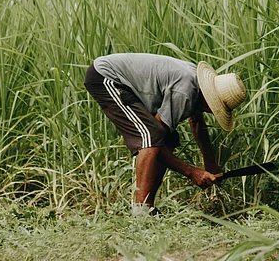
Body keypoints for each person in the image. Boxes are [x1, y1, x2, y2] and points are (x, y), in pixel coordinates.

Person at [83, 53, 247, 216]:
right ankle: (141, 213)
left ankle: (148, 207)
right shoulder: (186, 90)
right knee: (152, 136)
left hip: (119, 78)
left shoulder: (196, 86)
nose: (212, 111)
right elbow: (154, 140)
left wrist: (210, 163)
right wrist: (192, 172)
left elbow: (196, 123)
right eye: (216, 107)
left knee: (168, 138)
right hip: (106, 76)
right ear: (211, 99)